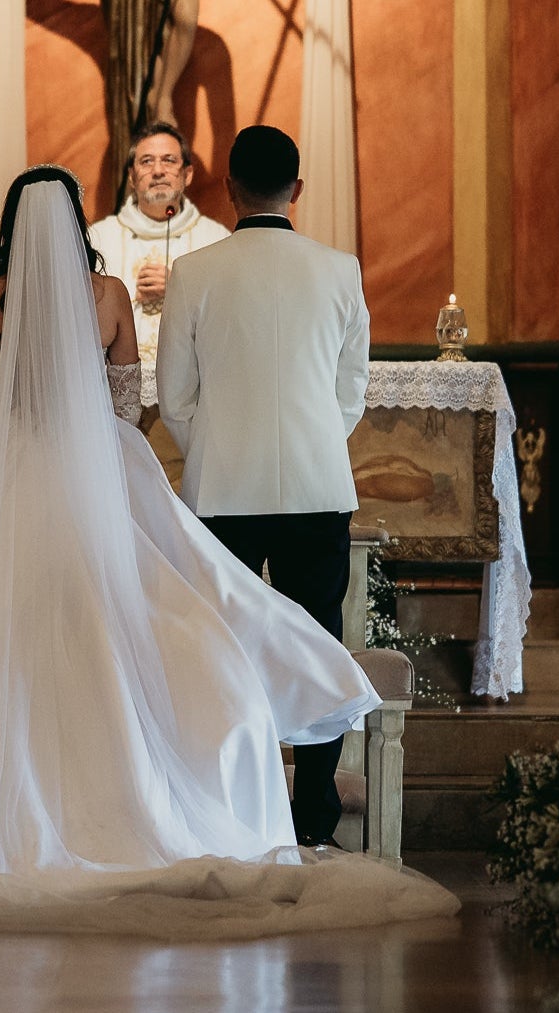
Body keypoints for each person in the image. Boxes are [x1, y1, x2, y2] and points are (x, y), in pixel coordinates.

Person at [0, 165, 453, 936]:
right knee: (135, 614)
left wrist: (2, 442)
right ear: (76, 224)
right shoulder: (107, 298)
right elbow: (129, 403)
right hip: (98, 463)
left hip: (7, 463)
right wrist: (88, 427)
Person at [155, 126, 371, 847]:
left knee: (222, 648)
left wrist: (217, 451)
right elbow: (351, 390)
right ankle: (313, 812)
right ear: (297, 189)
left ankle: (232, 809)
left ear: (228, 189)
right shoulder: (340, 269)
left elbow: (174, 395)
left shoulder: (194, 271)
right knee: (317, 642)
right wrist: (307, 444)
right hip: (317, 485)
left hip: (222, 496)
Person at [86, 123, 231, 358]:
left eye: (169, 160)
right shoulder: (99, 239)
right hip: (116, 385)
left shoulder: (217, 239)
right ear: (132, 176)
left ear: (188, 174)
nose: (158, 171)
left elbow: (232, 318)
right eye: (146, 161)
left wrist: (181, 290)